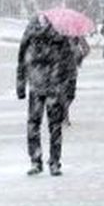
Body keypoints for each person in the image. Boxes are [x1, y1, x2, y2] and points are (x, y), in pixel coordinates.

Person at [17, 15, 82, 176]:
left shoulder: (31, 32)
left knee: (33, 124)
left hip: (36, 85)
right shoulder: (60, 35)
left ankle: (35, 160)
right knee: (55, 126)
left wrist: (20, 85)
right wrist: (70, 88)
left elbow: (21, 61)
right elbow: (70, 64)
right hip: (55, 85)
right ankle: (54, 162)